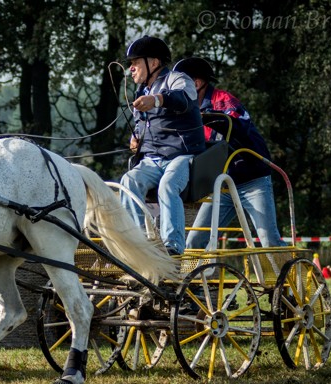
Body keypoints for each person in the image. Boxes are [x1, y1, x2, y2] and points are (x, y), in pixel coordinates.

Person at [175, 57, 285, 250]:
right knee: (195, 242)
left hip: (253, 181)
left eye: (180, 83)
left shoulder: (223, 100)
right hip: (222, 186)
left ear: (197, 83)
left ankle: (299, 276)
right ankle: (195, 280)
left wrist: (208, 118)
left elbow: (238, 124)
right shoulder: (185, 112)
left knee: (269, 242)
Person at [119, 36, 206, 256]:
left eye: (135, 63)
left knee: (167, 185)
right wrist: (136, 140)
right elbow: (142, 129)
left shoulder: (179, 79)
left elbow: (184, 100)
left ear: (154, 63)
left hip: (183, 156)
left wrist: (158, 100)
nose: (131, 68)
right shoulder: (141, 94)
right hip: (152, 160)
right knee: (128, 181)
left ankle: (173, 246)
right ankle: (137, 245)